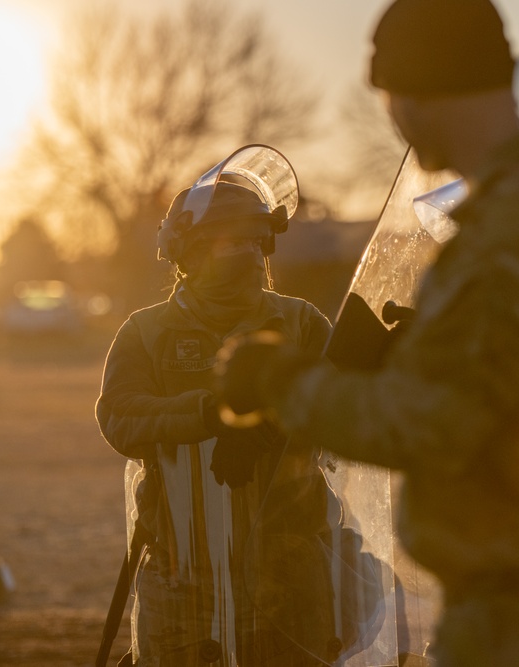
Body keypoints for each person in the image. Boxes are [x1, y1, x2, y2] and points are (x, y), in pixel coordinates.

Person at [215, 1, 519, 665]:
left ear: (416, 96)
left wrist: (276, 380)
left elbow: (424, 424)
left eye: (390, 96)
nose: (394, 116)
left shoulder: (517, 228)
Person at [95, 147, 384, 667]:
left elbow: (359, 414)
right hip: (184, 584)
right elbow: (120, 417)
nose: (250, 255)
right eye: (233, 241)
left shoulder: (301, 323)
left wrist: (389, 359)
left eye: (258, 241)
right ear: (190, 252)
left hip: (292, 582)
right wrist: (214, 412)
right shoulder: (147, 332)